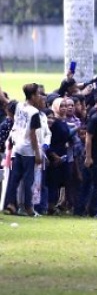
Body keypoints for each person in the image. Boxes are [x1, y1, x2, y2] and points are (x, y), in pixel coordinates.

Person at [4, 84, 43, 217]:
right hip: (28, 149)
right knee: (28, 180)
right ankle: (28, 207)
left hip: (18, 145)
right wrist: (37, 153)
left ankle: (10, 204)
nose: (40, 97)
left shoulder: (20, 106)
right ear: (32, 96)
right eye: (38, 94)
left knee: (15, 177)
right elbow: (33, 134)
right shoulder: (34, 113)